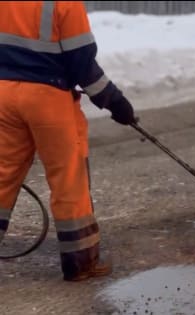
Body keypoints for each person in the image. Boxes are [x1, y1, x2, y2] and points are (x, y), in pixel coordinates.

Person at [0, 1, 136, 281]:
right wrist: (115, 102)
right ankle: (81, 263)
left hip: (3, 95)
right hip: (48, 99)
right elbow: (82, 64)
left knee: (2, 175)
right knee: (68, 179)